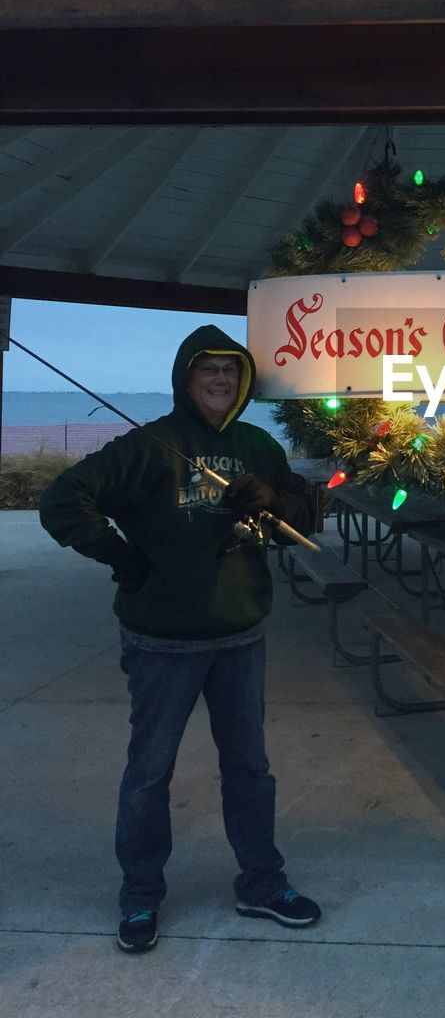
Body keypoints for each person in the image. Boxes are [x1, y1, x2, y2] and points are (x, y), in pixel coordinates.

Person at [39, 324, 320, 954]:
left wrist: (273, 500)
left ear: (243, 380)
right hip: (162, 642)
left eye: (230, 369)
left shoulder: (255, 445)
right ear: (185, 378)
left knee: (250, 769)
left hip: (240, 635)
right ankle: (140, 897)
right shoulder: (148, 446)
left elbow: (298, 520)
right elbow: (62, 500)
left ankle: (263, 884)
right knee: (148, 775)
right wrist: (123, 557)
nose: (220, 379)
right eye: (206, 369)